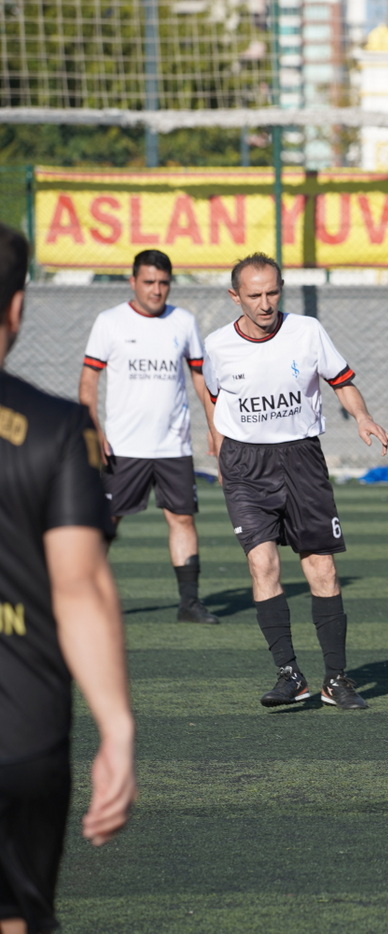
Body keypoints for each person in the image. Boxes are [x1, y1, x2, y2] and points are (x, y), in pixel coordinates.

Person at [0, 223, 136, 933]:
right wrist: (117, 729)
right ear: (17, 307)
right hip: (21, 734)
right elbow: (80, 588)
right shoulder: (57, 428)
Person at [201, 253, 388, 710]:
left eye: (272, 292)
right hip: (245, 465)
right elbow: (213, 395)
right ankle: (289, 674)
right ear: (235, 297)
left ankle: (336, 680)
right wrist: (219, 442)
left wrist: (362, 415)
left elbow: (341, 381)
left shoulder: (308, 331)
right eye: (254, 295)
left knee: (321, 567)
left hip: (302, 458)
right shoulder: (217, 345)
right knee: (262, 564)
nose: (265, 303)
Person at [79, 249, 219, 624]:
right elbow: (89, 380)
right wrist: (93, 428)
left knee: (183, 519)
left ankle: (189, 603)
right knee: (107, 522)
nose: (156, 290)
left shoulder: (183, 321)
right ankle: (83, 598)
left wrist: (214, 427)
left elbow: (200, 379)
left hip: (174, 445)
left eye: (163, 283)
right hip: (123, 446)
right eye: (149, 282)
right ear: (133, 282)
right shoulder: (110, 322)